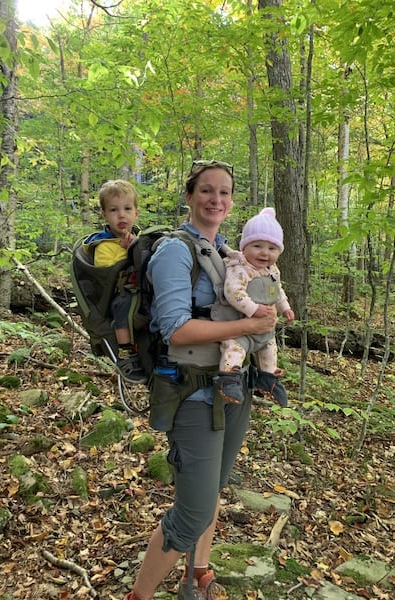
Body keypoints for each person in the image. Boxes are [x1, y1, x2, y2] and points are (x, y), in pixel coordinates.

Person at [122, 160, 277, 600]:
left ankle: (200, 570)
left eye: (225, 192)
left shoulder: (229, 252)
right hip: (192, 393)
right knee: (191, 513)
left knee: (214, 491)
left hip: (233, 387)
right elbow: (176, 330)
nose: (216, 200)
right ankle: (140, 595)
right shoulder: (175, 251)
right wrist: (247, 329)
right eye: (206, 191)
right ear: (189, 196)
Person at [213, 207, 295, 406]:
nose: (264, 253)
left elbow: (277, 291)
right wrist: (253, 309)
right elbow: (233, 292)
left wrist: (285, 307)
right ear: (245, 247)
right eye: (257, 245)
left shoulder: (272, 271)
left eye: (272, 248)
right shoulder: (241, 268)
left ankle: (267, 379)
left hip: (264, 329)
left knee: (269, 347)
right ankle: (229, 379)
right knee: (234, 349)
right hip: (240, 326)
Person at [87, 179, 146, 383]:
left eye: (127, 208)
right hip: (118, 294)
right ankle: (125, 352)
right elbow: (106, 271)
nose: (122, 215)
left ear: (136, 213)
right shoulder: (103, 245)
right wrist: (129, 252)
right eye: (114, 210)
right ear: (104, 214)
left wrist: (139, 248)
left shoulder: (141, 238)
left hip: (142, 291)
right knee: (123, 306)